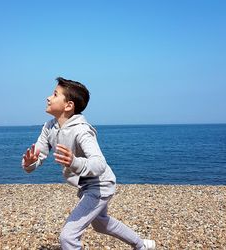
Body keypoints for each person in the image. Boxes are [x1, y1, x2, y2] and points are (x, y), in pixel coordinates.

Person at [22, 77, 156, 250]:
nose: (48, 97)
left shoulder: (82, 130)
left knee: (68, 237)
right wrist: (29, 163)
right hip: (86, 186)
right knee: (102, 225)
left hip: (100, 184)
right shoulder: (49, 127)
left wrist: (74, 162)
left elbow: (99, 163)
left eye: (55, 94)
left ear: (68, 105)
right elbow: (38, 155)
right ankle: (142, 245)